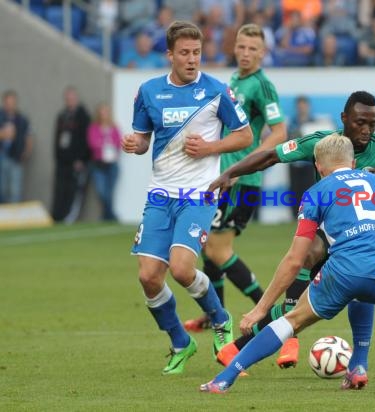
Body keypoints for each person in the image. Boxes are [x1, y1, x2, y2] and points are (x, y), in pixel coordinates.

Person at [200, 133, 375, 393]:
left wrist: (261, 308)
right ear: (353, 163)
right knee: (362, 294)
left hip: (345, 274)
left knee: (292, 321)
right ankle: (358, 367)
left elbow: (296, 260)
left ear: (318, 166)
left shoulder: (316, 192)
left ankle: (224, 379)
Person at [121, 21, 253, 375]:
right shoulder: (148, 92)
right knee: (149, 276)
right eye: (184, 53)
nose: (192, 59)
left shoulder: (216, 91)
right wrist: (135, 145)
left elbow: (244, 136)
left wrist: (211, 147)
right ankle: (181, 341)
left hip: (199, 195)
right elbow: (144, 140)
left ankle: (221, 319)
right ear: (170, 55)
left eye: (196, 52)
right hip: (161, 195)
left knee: (181, 269)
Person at [184, 23, 287, 333]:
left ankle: (268, 313)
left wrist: (247, 161)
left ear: (263, 53)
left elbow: (280, 132)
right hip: (223, 177)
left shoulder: (261, 85)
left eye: (253, 49)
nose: (245, 53)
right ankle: (216, 314)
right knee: (207, 246)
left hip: (241, 182)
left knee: (217, 249)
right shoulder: (233, 79)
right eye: (241, 47)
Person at [51, 86, 91, 223]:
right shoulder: (62, 116)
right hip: (63, 161)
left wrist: (81, 158)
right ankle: (57, 216)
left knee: (73, 190)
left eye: (72, 98)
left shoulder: (83, 116)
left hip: (76, 162)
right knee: (60, 189)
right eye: (67, 98)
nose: (70, 101)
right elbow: (58, 139)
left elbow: (86, 140)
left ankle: (69, 217)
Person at [87, 102, 121, 221]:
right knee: (101, 191)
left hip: (112, 164)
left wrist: (105, 144)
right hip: (98, 164)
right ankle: (110, 215)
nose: (104, 114)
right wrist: (104, 144)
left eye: (106, 112)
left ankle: (106, 216)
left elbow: (118, 143)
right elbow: (92, 143)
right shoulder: (94, 128)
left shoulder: (114, 127)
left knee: (109, 191)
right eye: (102, 112)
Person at [0, 90, 33, 204]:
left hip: (16, 157)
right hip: (2, 156)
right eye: (8, 102)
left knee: (15, 190)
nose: (10, 105)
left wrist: (27, 152)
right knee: (2, 189)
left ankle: (14, 219)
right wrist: (3, 134)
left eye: (12, 102)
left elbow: (29, 136)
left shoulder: (22, 119)